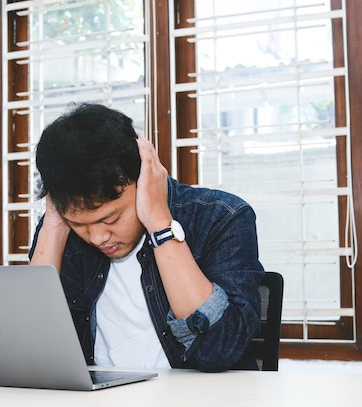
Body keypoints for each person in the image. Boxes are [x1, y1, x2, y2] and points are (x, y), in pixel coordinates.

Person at [29, 103, 264, 372]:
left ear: (143, 178)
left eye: (111, 219)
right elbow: (32, 354)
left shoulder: (221, 218)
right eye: (79, 224)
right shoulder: (62, 231)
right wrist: (55, 227)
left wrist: (160, 225)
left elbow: (218, 351)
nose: (97, 237)